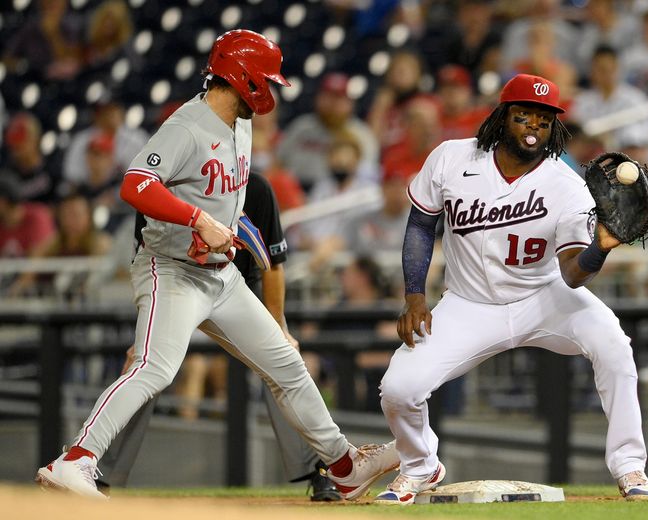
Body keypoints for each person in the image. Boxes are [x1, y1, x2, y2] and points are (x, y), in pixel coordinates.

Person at [34, 29, 398, 500]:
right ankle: (75, 460)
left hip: (221, 277)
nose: (269, 91)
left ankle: (345, 466)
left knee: (286, 364)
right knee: (154, 367)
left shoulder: (239, 125)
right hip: (171, 270)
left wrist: (227, 230)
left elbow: (224, 200)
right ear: (241, 76)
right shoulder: (187, 126)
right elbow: (135, 185)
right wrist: (196, 218)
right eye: (264, 80)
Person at [374, 73, 648, 504]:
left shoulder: (566, 185)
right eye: (523, 115)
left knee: (615, 346)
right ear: (501, 116)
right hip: (469, 303)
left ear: (553, 128)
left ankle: (630, 467)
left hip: (544, 297)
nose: (533, 126)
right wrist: (415, 295)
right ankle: (421, 466)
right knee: (399, 389)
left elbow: (571, 274)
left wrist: (599, 249)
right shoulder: (451, 158)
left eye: (543, 120)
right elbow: (420, 225)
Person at [96, 173, 341, 500]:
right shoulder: (158, 190)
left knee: (283, 361)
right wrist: (145, 332)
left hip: (240, 289)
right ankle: (101, 474)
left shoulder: (254, 187)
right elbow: (145, 263)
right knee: (144, 367)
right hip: (177, 287)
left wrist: (279, 325)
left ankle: (321, 469)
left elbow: (274, 265)